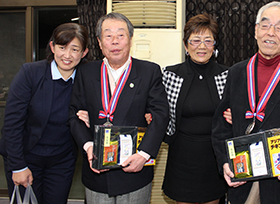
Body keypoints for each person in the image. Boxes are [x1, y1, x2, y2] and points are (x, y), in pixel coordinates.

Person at [211, 1, 280, 204]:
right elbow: (221, 126)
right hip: (244, 179)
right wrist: (224, 161)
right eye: (265, 25)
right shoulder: (236, 73)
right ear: (256, 31)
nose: (271, 33)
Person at [68, 12, 169, 204]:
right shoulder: (86, 72)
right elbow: (74, 115)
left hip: (134, 169)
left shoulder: (149, 71)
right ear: (99, 42)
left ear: (130, 39)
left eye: (121, 35)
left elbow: (161, 115)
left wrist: (144, 155)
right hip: (96, 169)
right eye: (108, 36)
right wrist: (88, 147)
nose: (115, 41)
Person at [0, 23, 89, 204]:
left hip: (62, 161)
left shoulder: (85, 79)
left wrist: (90, 117)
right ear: (52, 47)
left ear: (84, 53)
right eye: (62, 47)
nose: (67, 55)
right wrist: (18, 166)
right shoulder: (31, 73)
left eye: (74, 49)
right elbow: (12, 123)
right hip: (26, 155)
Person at [160, 13, 228, 204]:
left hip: (214, 157)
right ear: (185, 45)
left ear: (214, 45)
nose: (202, 46)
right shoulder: (170, 75)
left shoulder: (227, 75)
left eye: (208, 40)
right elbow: (157, 110)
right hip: (182, 157)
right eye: (195, 40)